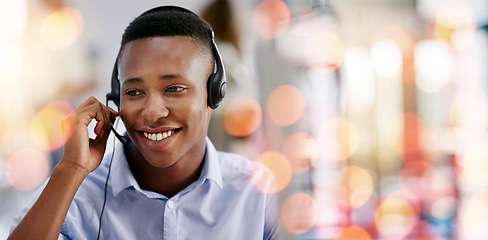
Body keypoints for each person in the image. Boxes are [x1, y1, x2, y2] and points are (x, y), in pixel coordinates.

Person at [9, 6, 280, 240]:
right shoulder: (74, 194)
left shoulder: (259, 192)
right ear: (116, 98)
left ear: (213, 93)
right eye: (134, 92)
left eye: (174, 88)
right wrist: (71, 169)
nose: (151, 113)